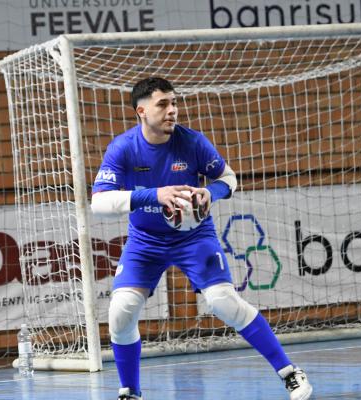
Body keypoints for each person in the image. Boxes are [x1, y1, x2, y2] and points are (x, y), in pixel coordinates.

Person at [90, 77, 313, 400]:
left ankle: (290, 372)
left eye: (174, 102)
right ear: (141, 111)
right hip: (146, 240)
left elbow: (228, 178)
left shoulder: (192, 142)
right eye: (162, 104)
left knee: (223, 302)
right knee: (121, 312)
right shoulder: (123, 148)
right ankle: (130, 392)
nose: (172, 110)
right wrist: (154, 195)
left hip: (194, 237)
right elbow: (98, 203)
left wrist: (211, 192)